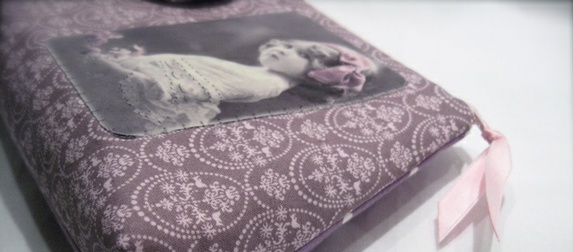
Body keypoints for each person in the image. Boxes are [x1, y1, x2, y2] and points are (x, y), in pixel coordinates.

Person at [91, 38, 378, 130]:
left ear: (317, 75)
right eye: (287, 45)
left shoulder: (260, 82)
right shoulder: (259, 72)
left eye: (302, 55)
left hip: (135, 96)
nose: (281, 48)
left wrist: (105, 65)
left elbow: (159, 89)